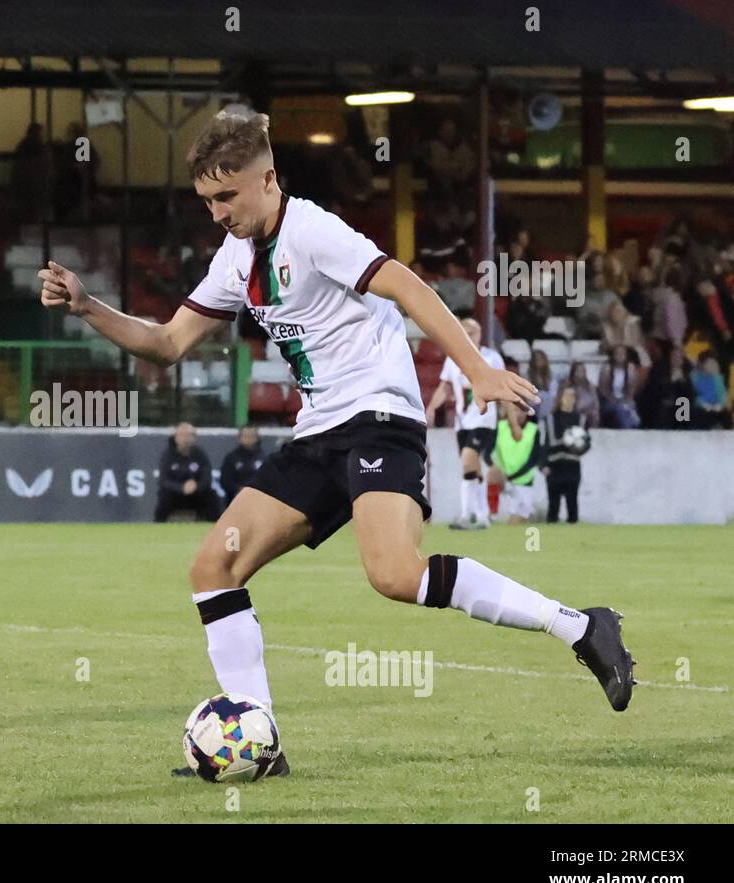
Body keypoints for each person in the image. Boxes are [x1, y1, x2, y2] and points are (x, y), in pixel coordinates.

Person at [39, 111, 635, 782]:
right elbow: (167, 343)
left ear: (268, 179)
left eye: (226, 197)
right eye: (207, 200)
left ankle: (581, 628)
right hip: (318, 433)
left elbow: (407, 285)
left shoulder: (315, 232)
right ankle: (260, 745)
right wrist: (89, 306)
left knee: (394, 575)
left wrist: (477, 371)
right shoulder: (235, 258)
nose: (216, 213)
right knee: (213, 568)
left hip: (380, 418)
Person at [424, 317, 506, 530]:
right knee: (472, 468)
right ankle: (480, 516)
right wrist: (431, 408)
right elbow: (445, 387)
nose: (470, 336)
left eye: (473, 332)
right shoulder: (452, 360)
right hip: (462, 422)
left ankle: (465, 514)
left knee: (468, 461)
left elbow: (502, 384)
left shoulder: (491, 357)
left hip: (484, 419)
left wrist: (508, 412)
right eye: (466, 332)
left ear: (480, 334)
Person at [486, 400, 542, 524]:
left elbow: (534, 459)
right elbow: (486, 453)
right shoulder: (500, 427)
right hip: (503, 480)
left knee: (519, 519)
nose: (519, 414)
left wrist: (511, 476)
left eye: (522, 411)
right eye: (515, 410)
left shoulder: (533, 430)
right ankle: (492, 513)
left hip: (523, 481)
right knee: (492, 474)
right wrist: (495, 468)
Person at [154, 422, 222, 522]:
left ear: (194, 438)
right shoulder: (167, 455)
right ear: (175, 437)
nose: (185, 439)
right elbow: (163, 481)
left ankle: (215, 528)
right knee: (164, 497)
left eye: (189, 435)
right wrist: (181, 487)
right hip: (175, 494)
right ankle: (158, 526)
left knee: (212, 496)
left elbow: (206, 478)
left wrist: (196, 486)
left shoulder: (200, 454)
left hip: (196, 494)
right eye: (182, 435)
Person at [542, 386, 590, 523]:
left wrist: (580, 447)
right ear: (561, 398)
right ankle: (551, 535)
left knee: (572, 503)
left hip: (572, 466)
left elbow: (587, 443)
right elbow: (543, 445)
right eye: (566, 395)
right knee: (553, 506)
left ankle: (573, 536)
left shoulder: (581, 419)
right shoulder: (550, 419)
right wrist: (543, 465)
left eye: (572, 396)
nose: (570, 399)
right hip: (554, 467)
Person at [597, 344, 641, 429]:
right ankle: (627, 429)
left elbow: (632, 389)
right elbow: (603, 390)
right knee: (620, 409)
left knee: (627, 408)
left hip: (626, 401)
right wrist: (615, 400)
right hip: (609, 402)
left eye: (622, 354)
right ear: (613, 355)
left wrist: (625, 400)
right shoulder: (606, 368)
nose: (620, 356)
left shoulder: (630, 368)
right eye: (617, 353)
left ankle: (631, 426)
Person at [219, 425, 264, 505]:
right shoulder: (231, 458)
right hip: (237, 495)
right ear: (239, 438)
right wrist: (239, 489)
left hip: (260, 495)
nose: (249, 439)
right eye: (246, 436)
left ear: (257, 438)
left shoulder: (264, 457)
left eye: (252, 436)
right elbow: (225, 481)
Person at [691, 351, 731, 430]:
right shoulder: (694, 377)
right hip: (701, 409)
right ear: (702, 364)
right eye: (710, 363)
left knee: (725, 413)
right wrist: (706, 405)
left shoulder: (717, 378)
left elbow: (723, 397)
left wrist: (719, 405)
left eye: (714, 363)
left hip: (715, 409)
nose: (713, 366)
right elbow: (693, 397)